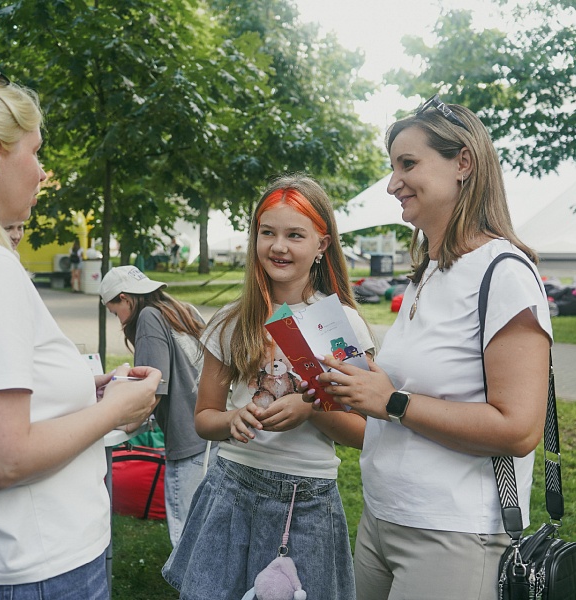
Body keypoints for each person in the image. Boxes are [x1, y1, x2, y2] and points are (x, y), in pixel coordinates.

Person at [0, 66, 162, 599]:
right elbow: (2, 457)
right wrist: (116, 410)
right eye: (34, 152)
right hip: (31, 568)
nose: (42, 172)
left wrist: (89, 394)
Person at [315, 95, 552, 600]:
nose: (391, 183)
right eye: (392, 166)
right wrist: (351, 384)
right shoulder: (431, 271)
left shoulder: (503, 272)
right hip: (382, 519)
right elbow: (404, 393)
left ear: (462, 162)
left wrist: (392, 402)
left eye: (408, 164)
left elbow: (519, 428)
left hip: (453, 532)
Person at [162, 174, 374, 600]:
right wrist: (232, 419)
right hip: (231, 489)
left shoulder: (340, 325)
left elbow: (364, 433)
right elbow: (204, 419)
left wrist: (312, 408)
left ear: (322, 245)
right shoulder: (231, 321)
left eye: (295, 235)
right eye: (268, 233)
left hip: (307, 501)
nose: (279, 246)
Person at [99, 265, 217, 547]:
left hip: (187, 442)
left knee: (187, 540)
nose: (119, 320)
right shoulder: (182, 309)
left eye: (115, 312)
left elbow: (150, 389)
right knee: (209, 534)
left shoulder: (149, 317)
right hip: (211, 436)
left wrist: (121, 422)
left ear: (125, 298)